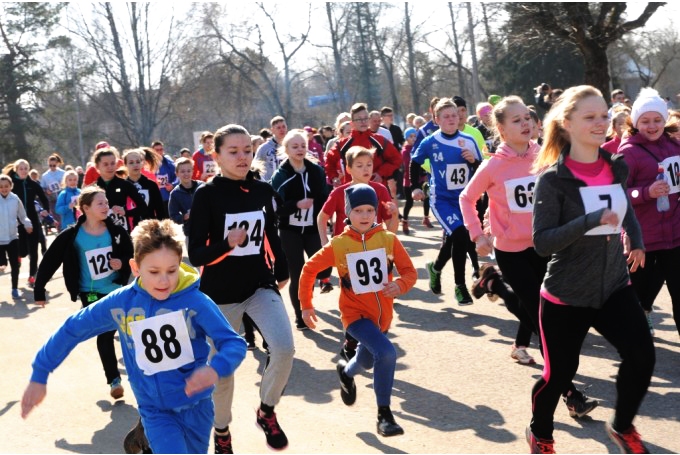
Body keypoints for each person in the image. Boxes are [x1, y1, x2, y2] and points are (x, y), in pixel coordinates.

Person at [23, 218, 247, 454]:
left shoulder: (196, 302)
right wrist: (41, 372)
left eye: (172, 271)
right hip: (154, 411)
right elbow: (73, 328)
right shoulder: (122, 302)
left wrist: (215, 369)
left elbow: (233, 343)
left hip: (197, 408)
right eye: (154, 271)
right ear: (135, 268)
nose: (164, 280)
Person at [526, 85, 655, 454]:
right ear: (567, 124)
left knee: (643, 356)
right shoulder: (553, 180)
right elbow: (543, 242)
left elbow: (624, 207)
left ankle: (622, 425)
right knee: (559, 375)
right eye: (590, 117)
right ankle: (541, 432)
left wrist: (637, 238)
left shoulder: (617, 165)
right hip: (566, 293)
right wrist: (589, 220)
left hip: (614, 285)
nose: (601, 123)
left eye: (603, 115)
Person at [188, 124, 294, 453]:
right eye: (233, 152)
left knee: (284, 348)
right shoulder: (206, 194)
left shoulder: (262, 190)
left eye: (247, 150)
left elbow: (272, 231)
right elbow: (196, 255)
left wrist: (282, 267)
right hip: (219, 296)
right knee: (223, 368)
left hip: (258, 285)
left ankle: (267, 411)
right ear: (216, 156)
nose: (243, 157)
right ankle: (221, 431)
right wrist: (226, 244)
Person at [299, 184, 417, 437]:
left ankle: (345, 370)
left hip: (383, 318)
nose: (364, 216)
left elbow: (410, 272)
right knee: (386, 353)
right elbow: (308, 270)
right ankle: (384, 415)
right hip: (355, 317)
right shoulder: (338, 245)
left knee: (364, 360)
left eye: (370, 210)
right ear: (347, 213)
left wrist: (399, 284)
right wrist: (306, 306)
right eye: (358, 210)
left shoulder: (388, 239)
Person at [33, 186, 134, 398]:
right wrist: (39, 289)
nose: (106, 206)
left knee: (128, 333)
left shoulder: (116, 231)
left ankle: (138, 375)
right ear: (85, 208)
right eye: (100, 203)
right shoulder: (72, 236)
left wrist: (122, 262)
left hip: (117, 289)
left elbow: (132, 254)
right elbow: (50, 260)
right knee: (105, 334)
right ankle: (114, 380)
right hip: (91, 293)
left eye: (106, 202)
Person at [619, 87, 680, 338]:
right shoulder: (628, 152)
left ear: (664, 120)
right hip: (643, 240)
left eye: (657, 120)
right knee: (639, 297)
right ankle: (635, 345)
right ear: (635, 122)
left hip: (676, 236)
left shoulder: (675, 147)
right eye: (645, 121)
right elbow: (619, 194)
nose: (652, 125)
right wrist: (646, 192)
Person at [411, 98, 483, 305]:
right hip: (441, 199)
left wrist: (474, 161)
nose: (452, 119)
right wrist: (415, 187)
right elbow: (414, 163)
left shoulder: (468, 140)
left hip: (465, 199)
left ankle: (435, 267)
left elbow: (481, 170)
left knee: (456, 238)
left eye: (454, 115)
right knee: (460, 235)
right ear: (436, 119)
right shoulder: (430, 142)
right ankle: (460, 286)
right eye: (446, 116)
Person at [271, 129, 333, 329]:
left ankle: (312, 297)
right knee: (297, 272)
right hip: (290, 231)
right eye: (295, 146)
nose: (300, 150)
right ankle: (300, 315)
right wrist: (296, 205)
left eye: (303, 146)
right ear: (286, 149)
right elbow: (276, 209)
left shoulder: (316, 171)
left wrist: (325, 215)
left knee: (317, 267)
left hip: (313, 228)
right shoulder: (280, 176)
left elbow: (325, 197)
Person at [324, 103, 402, 188]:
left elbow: (396, 159)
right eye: (359, 119)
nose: (363, 122)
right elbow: (329, 162)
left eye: (365, 118)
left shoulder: (380, 140)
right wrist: (334, 177)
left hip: (377, 190)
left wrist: (381, 173)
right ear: (352, 123)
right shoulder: (342, 144)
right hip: (352, 191)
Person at [6, 159, 49, 288]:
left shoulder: (33, 184)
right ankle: (19, 256)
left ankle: (33, 276)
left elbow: (43, 198)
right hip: (16, 221)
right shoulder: (10, 184)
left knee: (34, 249)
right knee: (23, 251)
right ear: (16, 170)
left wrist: (46, 210)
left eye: (26, 168)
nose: (24, 171)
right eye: (21, 168)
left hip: (32, 220)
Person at [92, 146, 149, 232]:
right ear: (97, 166)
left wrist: (125, 212)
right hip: (101, 233)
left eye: (112, 163)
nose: (110, 167)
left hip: (123, 233)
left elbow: (143, 207)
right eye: (105, 164)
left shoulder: (125, 185)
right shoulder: (93, 189)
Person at [0, 174, 32, 299]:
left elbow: (23, 215)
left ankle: (14, 288)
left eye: (6, 186)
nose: (4, 189)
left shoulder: (15, 199)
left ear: (11, 186)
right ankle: (3, 260)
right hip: (0, 239)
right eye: (1, 187)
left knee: (15, 264)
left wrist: (27, 224)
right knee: (2, 262)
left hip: (13, 237)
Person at [169, 157, 204, 243]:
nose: (186, 174)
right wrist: (184, 217)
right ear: (177, 173)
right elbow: (173, 215)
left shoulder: (202, 186)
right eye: (182, 171)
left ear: (192, 171)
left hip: (208, 228)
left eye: (188, 171)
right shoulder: (175, 193)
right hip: (190, 231)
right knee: (194, 255)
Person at [123, 148, 164, 220]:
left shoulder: (151, 185)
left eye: (138, 162)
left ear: (142, 163)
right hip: (129, 228)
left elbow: (160, 210)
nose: (135, 165)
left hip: (149, 227)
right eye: (131, 162)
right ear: (125, 164)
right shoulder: (122, 186)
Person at [255, 115, 288, 182]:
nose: (282, 130)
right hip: (270, 185)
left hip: (287, 184)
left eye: (283, 127)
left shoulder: (291, 146)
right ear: (272, 130)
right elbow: (255, 167)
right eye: (278, 128)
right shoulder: (264, 148)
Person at [151, 140, 178, 218]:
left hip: (167, 198)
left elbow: (177, 177)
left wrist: (172, 185)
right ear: (152, 151)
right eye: (157, 150)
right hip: (154, 199)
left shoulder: (169, 163)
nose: (159, 152)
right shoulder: (148, 164)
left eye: (161, 149)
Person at [40, 153, 66, 228]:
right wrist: (46, 190)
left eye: (54, 165)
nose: (52, 167)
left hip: (63, 198)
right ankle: (60, 233)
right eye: (50, 165)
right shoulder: (45, 175)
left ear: (57, 164)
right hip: (52, 199)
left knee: (64, 217)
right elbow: (42, 187)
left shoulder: (63, 173)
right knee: (57, 219)